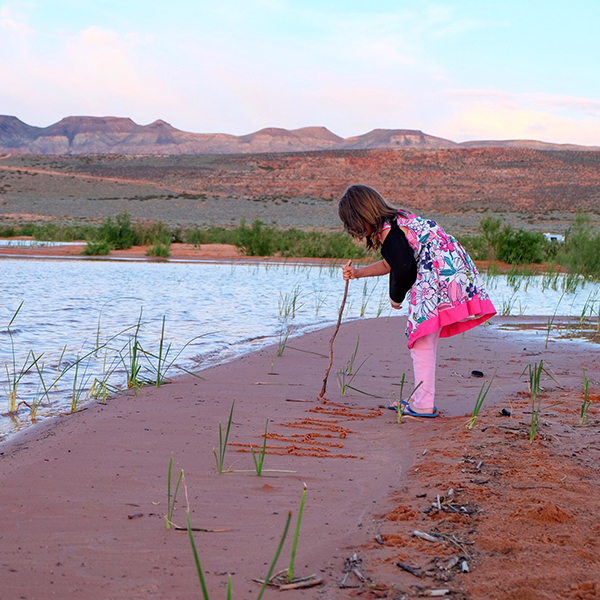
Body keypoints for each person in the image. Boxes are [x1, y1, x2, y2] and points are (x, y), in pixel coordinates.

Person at [339, 184, 496, 417]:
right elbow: (391, 263)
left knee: (421, 338)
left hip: (436, 277)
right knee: (426, 339)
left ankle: (422, 404)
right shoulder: (398, 220)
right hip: (448, 271)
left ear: (362, 216)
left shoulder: (390, 233)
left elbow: (403, 267)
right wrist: (359, 273)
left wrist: (395, 296)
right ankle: (421, 398)